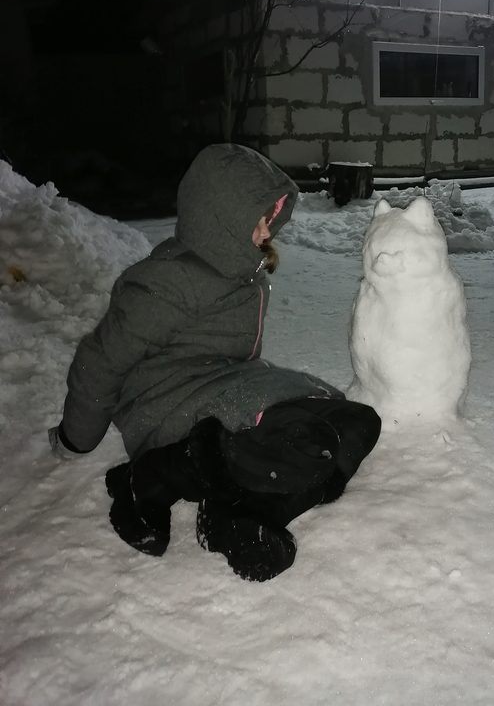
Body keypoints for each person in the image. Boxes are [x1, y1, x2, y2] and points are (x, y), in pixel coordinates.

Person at [49, 144, 380, 581]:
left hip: (223, 390)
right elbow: (103, 357)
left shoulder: (236, 268)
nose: (267, 230)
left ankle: (238, 516)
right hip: (167, 408)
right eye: (258, 219)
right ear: (221, 216)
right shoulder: (170, 277)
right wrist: (76, 437)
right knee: (304, 442)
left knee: (356, 424)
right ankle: (158, 472)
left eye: (270, 217)